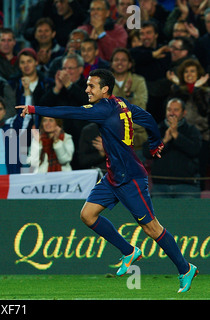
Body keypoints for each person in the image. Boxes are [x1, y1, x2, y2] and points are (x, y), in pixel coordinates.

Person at [16, 69, 198, 293]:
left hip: (130, 178)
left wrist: (34, 109)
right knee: (87, 214)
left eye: (91, 86)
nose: (87, 89)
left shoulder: (101, 109)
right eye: (87, 85)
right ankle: (129, 251)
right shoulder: (121, 104)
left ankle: (185, 268)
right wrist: (154, 142)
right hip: (114, 177)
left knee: (151, 227)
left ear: (105, 90)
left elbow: (70, 112)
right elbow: (148, 118)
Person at [143, 98, 202, 198]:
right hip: (160, 187)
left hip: (187, 187)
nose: (172, 113)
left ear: (184, 113)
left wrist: (176, 135)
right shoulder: (157, 129)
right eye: (169, 110)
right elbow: (147, 153)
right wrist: (164, 141)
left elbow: (195, 150)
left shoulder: (192, 130)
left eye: (176, 110)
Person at [166, 58, 210, 189]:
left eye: (192, 71)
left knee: (200, 171)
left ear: (198, 74)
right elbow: (174, 109)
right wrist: (180, 88)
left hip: (202, 138)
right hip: (180, 136)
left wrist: (196, 90)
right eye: (186, 72)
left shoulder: (206, 92)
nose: (189, 74)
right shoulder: (176, 90)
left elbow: (204, 112)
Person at [130, 21, 171, 123]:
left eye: (148, 33)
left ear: (156, 35)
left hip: (163, 98)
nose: (145, 37)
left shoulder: (165, 52)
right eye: (142, 34)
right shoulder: (135, 52)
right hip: (144, 99)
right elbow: (136, 57)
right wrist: (154, 55)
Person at [110, 48, 149, 157]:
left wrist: (129, 95)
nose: (120, 63)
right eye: (116, 60)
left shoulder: (139, 81)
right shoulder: (105, 83)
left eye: (123, 60)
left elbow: (141, 107)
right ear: (112, 64)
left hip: (136, 141)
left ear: (130, 64)